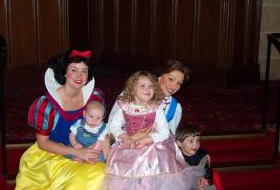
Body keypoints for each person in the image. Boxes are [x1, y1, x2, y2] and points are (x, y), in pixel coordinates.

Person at [15, 49, 108, 190]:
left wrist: (103, 151)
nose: (79, 76)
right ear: (64, 72)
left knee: (103, 173)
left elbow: (102, 129)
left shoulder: (94, 98)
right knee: (82, 179)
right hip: (53, 154)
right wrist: (78, 152)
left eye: (84, 71)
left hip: (87, 148)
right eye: (74, 70)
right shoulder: (47, 105)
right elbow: (43, 143)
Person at [104, 71, 203, 190]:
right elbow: (114, 126)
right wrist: (124, 136)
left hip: (151, 147)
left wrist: (148, 139)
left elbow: (164, 132)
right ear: (132, 89)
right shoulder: (124, 107)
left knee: (150, 173)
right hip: (129, 144)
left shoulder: (155, 108)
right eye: (142, 86)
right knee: (124, 175)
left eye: (151, 86)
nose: (147, 89)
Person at [108, 60, 191, 136]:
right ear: (159, 76)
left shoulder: (174, 108)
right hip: (123, 143)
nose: (174, 86)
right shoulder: (130, 94)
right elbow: (111, 125)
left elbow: (170, 136)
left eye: (179, 83)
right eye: (171, 79)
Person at [175, 123, 216, 190]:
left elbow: (208, 172)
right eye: (191, 141)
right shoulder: (177, 158)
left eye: (197, 140)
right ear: (179, 143)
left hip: (199, 185)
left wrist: (206, 181)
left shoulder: (203, 157)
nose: (195, 144)